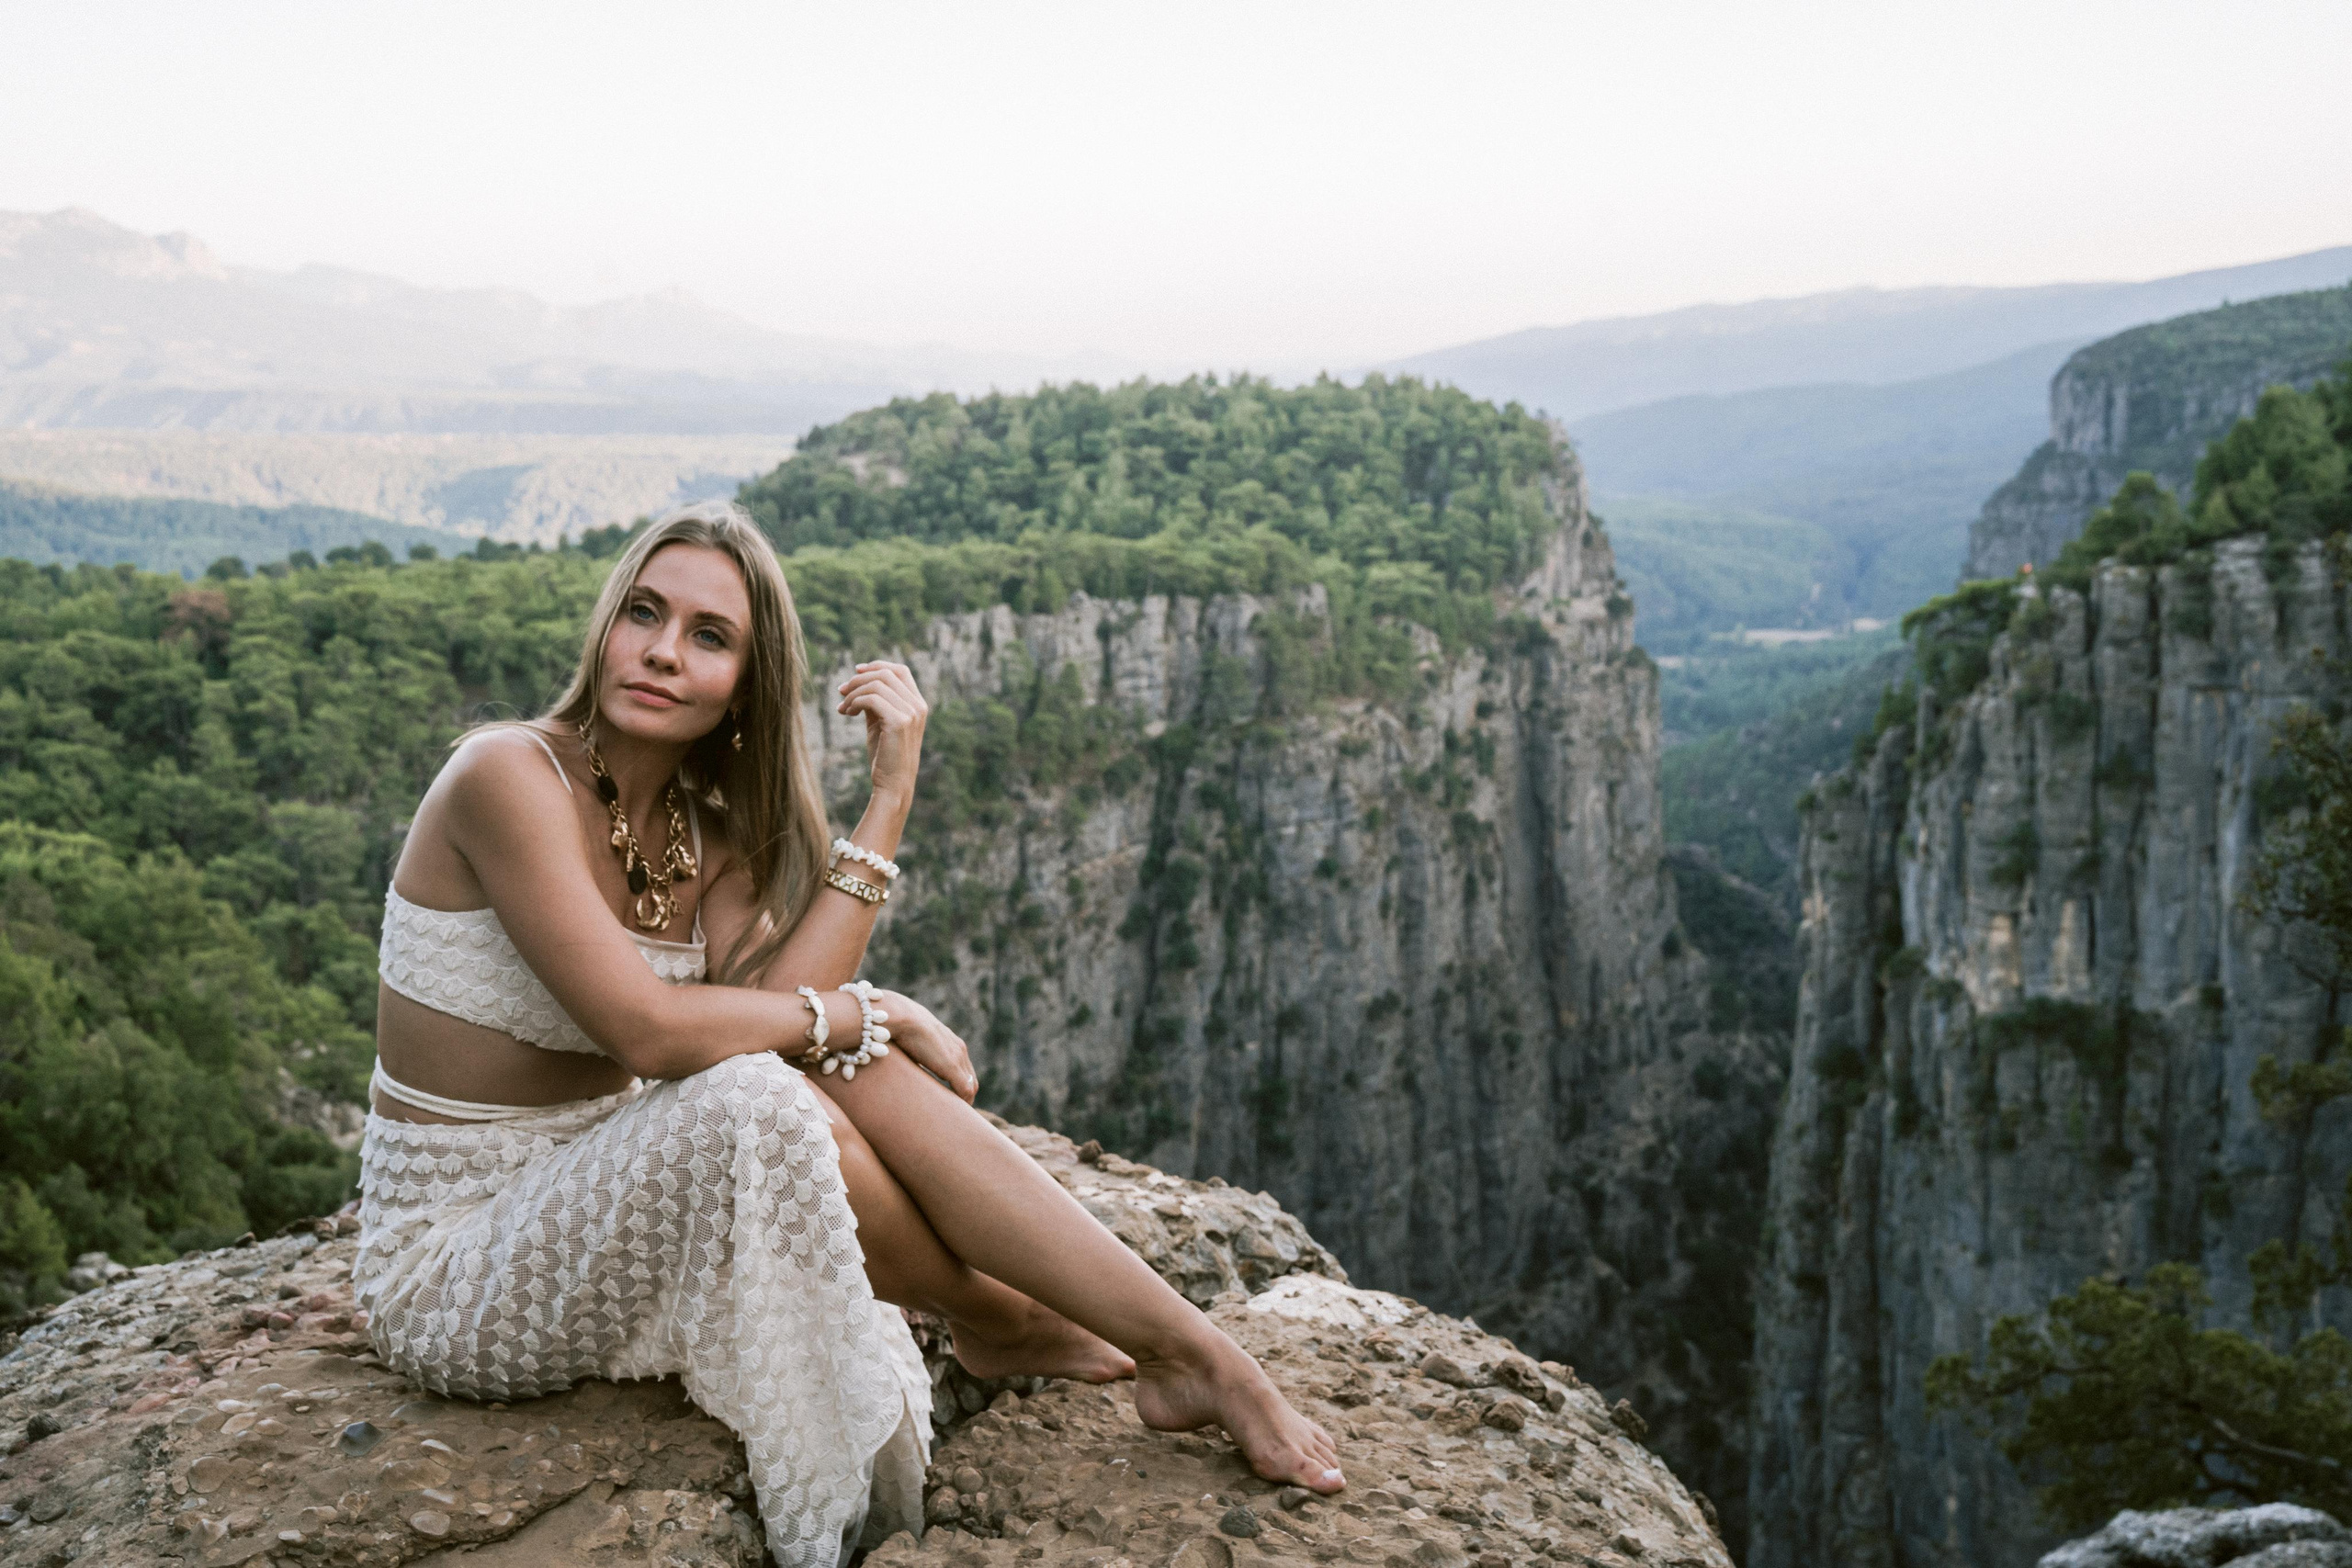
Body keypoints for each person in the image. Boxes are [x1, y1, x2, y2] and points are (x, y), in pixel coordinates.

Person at [353, 500, 1342, 1566]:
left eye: (708, 636)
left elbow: (788, 1020)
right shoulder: (506, 775)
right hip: (452, 1262)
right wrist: (862, 1007)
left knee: (830, 1054)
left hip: (594, 1187)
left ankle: (1192, 1351)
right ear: (605, 626)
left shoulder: (707, 832)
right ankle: (984, 1312)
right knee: (768, 1083)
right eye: (643, 613)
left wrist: (889, 799)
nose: (660, 652)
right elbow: (644, 1030)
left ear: (747, 683)